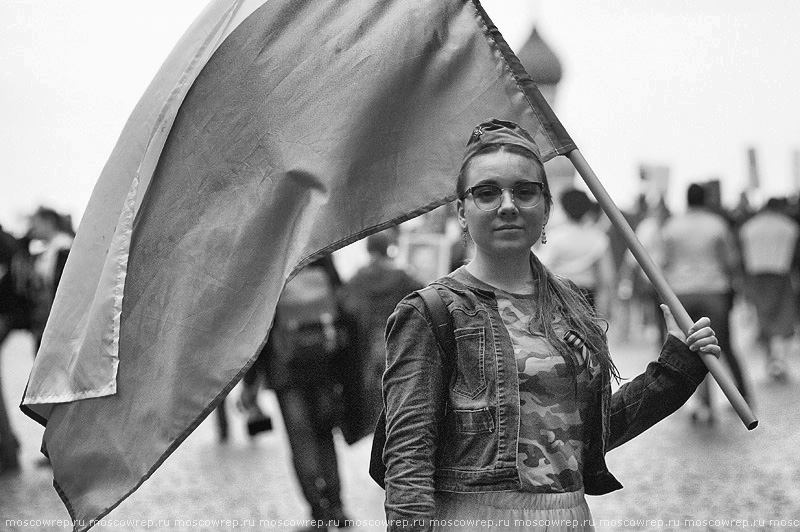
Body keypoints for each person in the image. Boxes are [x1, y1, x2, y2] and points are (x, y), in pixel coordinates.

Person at [380, 119, 721, 532]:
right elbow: (408, 457)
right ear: (462, 212)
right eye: (487, 192)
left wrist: (678, 365)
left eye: (524, 191)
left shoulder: (570, 304)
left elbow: (593, 432)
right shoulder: (432, 312)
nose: (508, 205)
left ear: (546, 208)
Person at [267, 255, 352, 531]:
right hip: (323, 362)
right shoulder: (320, 247)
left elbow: (258, 320)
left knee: (300, 440)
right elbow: (341, 302)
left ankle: (318, 512)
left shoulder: (271, 252)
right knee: (324, 434)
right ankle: (337, 507)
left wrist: (251, 381)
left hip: (285, 366)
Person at [661, 183, 750, 424]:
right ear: (705, 200)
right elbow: (730, 260)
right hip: (714, 290)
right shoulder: (716, 224)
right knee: (723, 345)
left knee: (688, 349)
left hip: (682, 292)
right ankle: (742, 396)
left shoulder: (672, 226)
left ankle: (699, 402)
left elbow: (663, 261)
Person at [338, 230, 423, 437]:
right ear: (387, 248)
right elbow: (423, 295)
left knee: (375, 400)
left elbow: (346, 306)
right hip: (398, 343)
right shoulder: (403, 277)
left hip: (369, 346)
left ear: (368, 249)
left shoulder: (358, 278)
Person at [738, 197, 800, 382]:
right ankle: (778, 360)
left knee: (763, 317)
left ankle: (770, 360)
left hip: (756, 276)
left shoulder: (749, 227)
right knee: (783, 319)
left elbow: (742, 256)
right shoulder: (789, 226)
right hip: (781, 275)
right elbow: (796, 257)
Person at [537, 188, 615, 315]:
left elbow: (543, 266)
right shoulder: (599, 238)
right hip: (587, 296)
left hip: (559, 293)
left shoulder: (556, 237)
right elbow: (607, 276)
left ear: (564, 208)